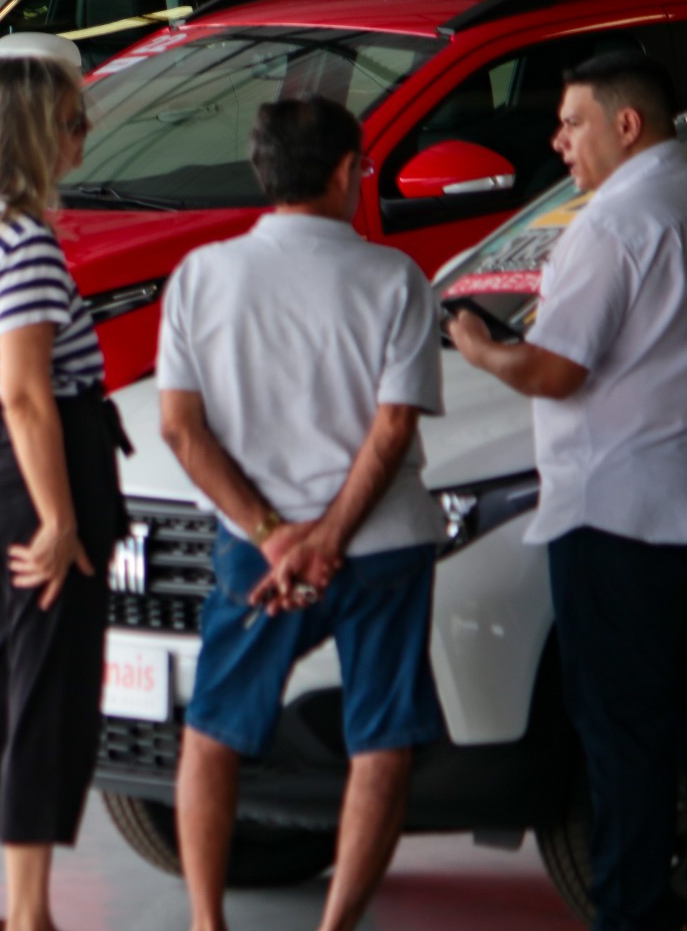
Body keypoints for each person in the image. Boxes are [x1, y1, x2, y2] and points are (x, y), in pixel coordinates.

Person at [451, 51, 687, 931]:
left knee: (622, 750)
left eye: (571, 122)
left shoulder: (611, 227)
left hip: (614, 518)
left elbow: (556, 370)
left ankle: (632, 915)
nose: (558, 140)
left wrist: (483, 349)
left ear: (627, 124)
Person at [158, 96, 446, 931]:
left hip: (259, 555)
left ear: (262, 171)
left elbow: (181, 428)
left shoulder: (202, 276)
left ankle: (208, 922)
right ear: (349, 172)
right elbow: (394, 426)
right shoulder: (395, 280)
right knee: (380, 737)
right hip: (385, 546)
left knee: (213, 728)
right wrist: (329, 538)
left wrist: (276, 534)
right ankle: (336, 927)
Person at [0, 38, 128, 931]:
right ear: (32, 137)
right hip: (34, 471)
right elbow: (28, 394)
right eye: (72, 122)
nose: (84, 136)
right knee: (47, 695)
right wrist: (59, 519)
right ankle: (31, 911)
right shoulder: (27, 245)